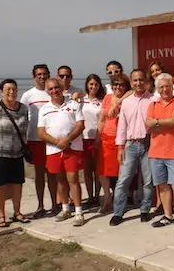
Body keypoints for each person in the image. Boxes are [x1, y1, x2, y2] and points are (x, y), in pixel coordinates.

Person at [0, 79, 30, 227]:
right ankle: (0, 214)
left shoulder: (23, 109)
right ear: (2, 91)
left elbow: (25, 129)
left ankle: (17, 212)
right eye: (8, 89)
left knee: (17, 184)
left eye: (14, 89)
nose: (11, 92)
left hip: (17, 154)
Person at [37, 78, 86, 226]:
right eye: (51, 89)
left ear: (61, 88)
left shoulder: (73, 104)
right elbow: (41, 132)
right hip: (53, 149)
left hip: (73, 148)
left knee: (73, 178)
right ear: (47, 91)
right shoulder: (44, 109)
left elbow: (80, 126)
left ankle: (78, 212)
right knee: (60, 180)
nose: (54, 91)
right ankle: (65, 209)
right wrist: (57, 142)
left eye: (56, 88)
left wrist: (67, 140)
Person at [146, 73, 174, 234]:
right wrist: (167, 123)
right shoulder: (153, 105)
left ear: (173, 87)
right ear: (158, 89)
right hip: (156, 152)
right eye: (161, 87)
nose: (165, 89)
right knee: (162, 187)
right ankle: (167, 216)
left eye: (167, 86)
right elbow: (148, 126)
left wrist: (158, 122)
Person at [110, 69, 153, 226]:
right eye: (135, 80)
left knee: (148, 180)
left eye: (141, 80)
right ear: (132, 83)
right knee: (123, 180)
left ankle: (145, 210)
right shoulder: (126, 102)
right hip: (130, 145)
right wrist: (120, 147)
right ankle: (118, 213)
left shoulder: (153, 100)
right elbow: (122, 126)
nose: (138, 83)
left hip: (148, 143)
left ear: (145, 81)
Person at [20, 64, 57, 218]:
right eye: (39, 74)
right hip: (35, 140)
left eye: (44, 74)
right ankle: (41, 206)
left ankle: (56, 204)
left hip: (53, 140)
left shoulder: (54, 92)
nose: (42, 76)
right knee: (40, 174)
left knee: (53, 174)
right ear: (34, 76)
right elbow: (22, 118)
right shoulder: (28, 95)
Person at [96, 74, 131, 213]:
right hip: (106, 137)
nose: (118, 87)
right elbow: (101, 119)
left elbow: (132, 91)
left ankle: (120, 198)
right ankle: (107, 197)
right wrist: (97, 137)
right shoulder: (107, 98)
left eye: (121, 84)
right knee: (102, 170)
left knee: (121, 170)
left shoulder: (128, 98)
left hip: (121, 139)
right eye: (115, 84)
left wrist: (118, 103)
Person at [82, 74, 105, 207]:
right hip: (83, 139)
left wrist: (99, 137)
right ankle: (90, 197)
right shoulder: (80, 100)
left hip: (97, 139)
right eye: (91, 84)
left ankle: (97, 196)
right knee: (87, 170)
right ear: (87, 85)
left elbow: (103, 121)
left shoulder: (101, 102)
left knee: (98, 170)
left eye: (96, 84)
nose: (93, 87)